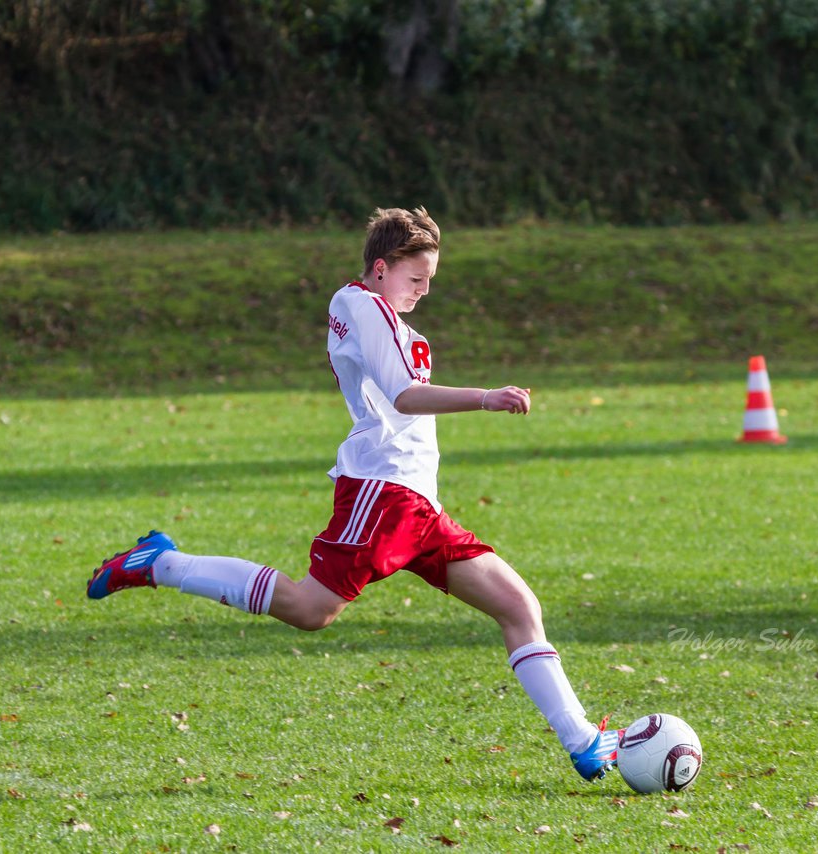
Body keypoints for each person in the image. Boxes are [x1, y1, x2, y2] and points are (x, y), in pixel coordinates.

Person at [86, 206, 621, 781]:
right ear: (380, 268)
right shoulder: (362, 304)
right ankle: (161, 563)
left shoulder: (377, 312)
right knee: (310, 609)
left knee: (517, 606)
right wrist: (485, 396)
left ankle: (584, 740)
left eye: (430, 281)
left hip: (418, 504)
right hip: (384, 494)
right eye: (415, 279)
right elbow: (404, 396)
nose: (422, 290)